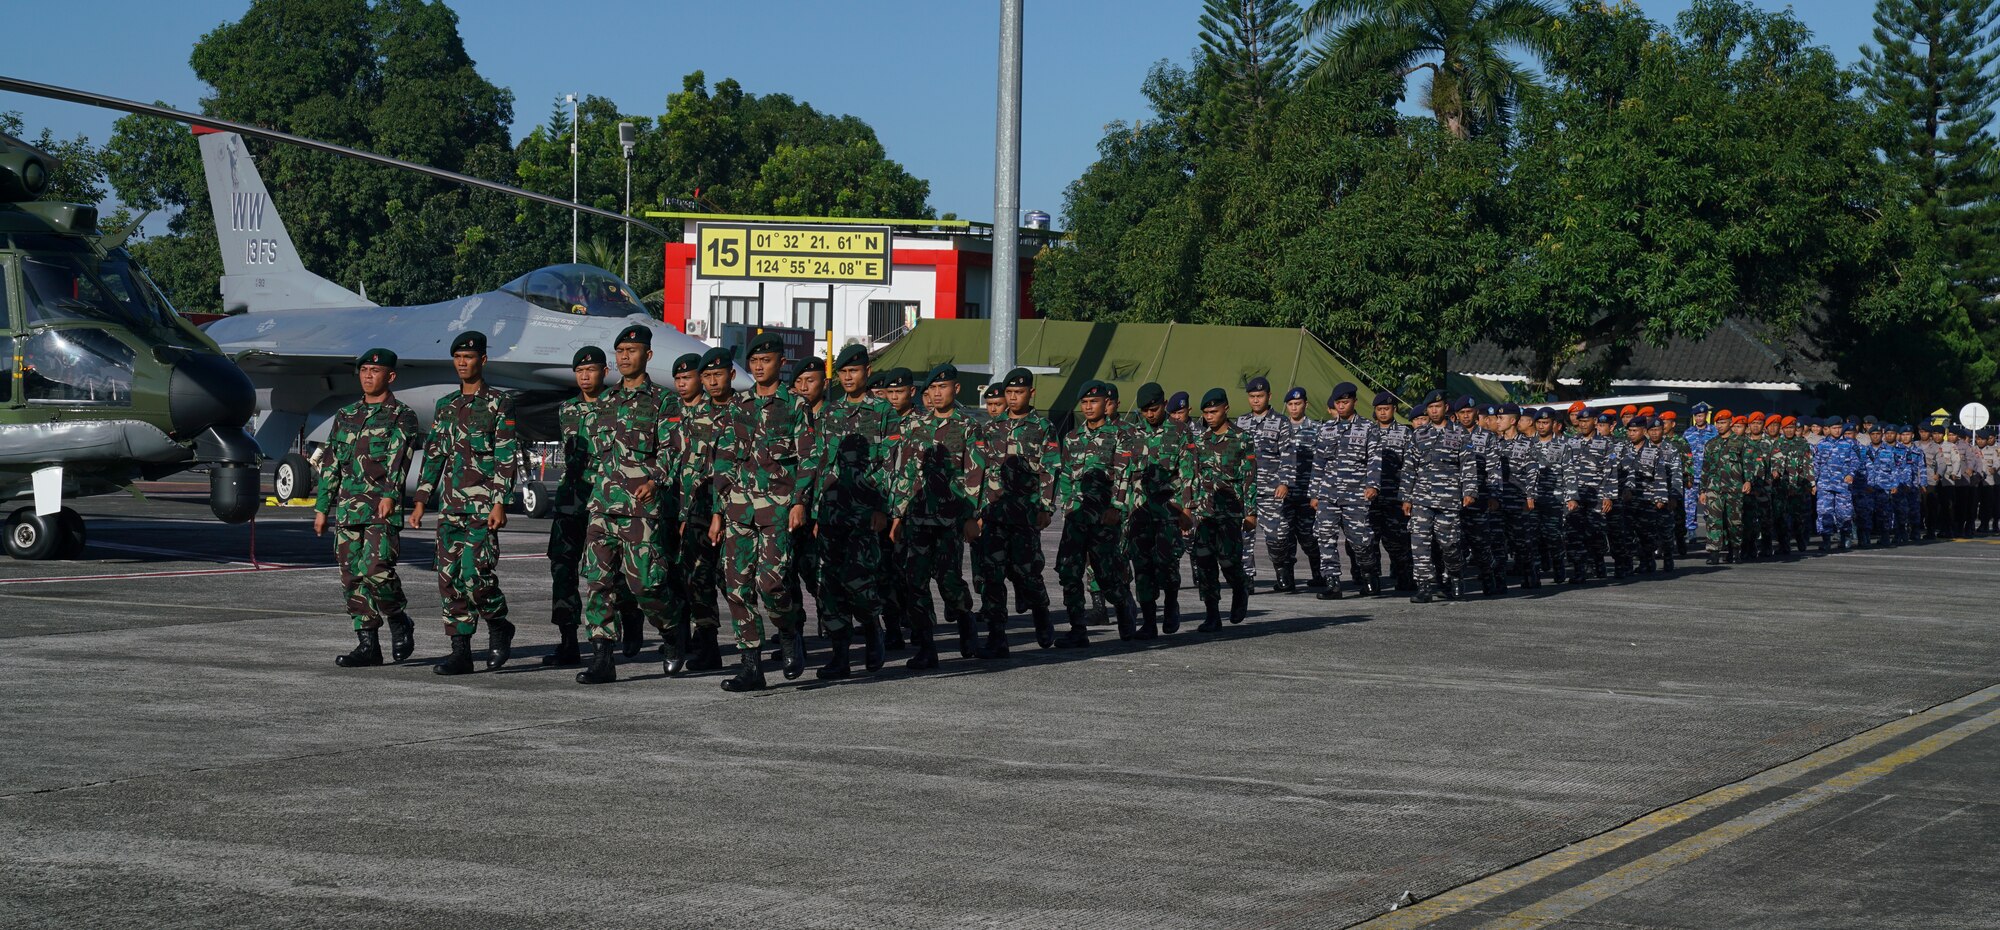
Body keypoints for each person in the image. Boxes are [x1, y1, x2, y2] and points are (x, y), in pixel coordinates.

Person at [708, 332, 818, 692]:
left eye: (765, 361)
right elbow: (723, 459)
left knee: (771, 584)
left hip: (778, 510)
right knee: (737, 589)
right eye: (754, 361)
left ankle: (788, 632)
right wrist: (717, 512)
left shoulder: (795, 406)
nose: (758, 366)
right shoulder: (738, 406)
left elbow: (810, 458)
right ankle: (751, 666)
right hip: (738, 509)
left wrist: (800, 501)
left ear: (780, 365)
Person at [408, 331, 521, 675]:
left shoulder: (499, 404)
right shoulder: (446, 406)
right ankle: (461, 652)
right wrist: (420, 500)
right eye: (457, 357)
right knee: (449, 579)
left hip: (483, 508)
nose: (462, 363)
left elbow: (505, 457)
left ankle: (499, 624)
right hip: (451, 509)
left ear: (482, 361)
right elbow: (435, 456)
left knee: (475, 576)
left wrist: (500, 502)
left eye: (469, 357)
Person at [574, 325, 681, 685]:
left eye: (631, 350)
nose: (624, 356)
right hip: (602, 508)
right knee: (598, 583)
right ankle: (602, 658)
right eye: (619, 350)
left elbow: (671, 452)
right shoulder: (603, 402)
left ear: (647, 356)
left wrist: (655, 480)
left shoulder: (663, 402)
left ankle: (671, 631)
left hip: (640, 508)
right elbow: (592, 455)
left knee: (645, 585)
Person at [316, 348, 420, 668]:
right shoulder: (346, 415)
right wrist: (322, 507)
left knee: (376, 570)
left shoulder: (401, 414)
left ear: (390, 376)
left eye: (375, 371)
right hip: (348, 510)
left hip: (380, 508)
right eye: (363, 370)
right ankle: (368, 645)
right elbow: (332, 464)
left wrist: (390, 495)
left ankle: (399, 618)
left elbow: (398, 459)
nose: (367, 375)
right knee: (351, 578)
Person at [544, 346, 641, 667]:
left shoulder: (617, 407)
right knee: (562, 566)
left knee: (610, 569)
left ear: (605, 371)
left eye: (591, 370)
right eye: (580, 371)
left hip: (607, 499)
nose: (585, 376)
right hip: (571, 499)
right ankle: (568, 641)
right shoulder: (567, 410)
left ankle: (629, 613)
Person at [888, 364, 987, 666]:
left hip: (949, 520)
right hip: (918, 519)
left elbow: (976, 476)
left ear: (956, 389)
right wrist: (897, 515)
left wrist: (973, 516)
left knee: (949, 581)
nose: (937, 392)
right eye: (933, 388)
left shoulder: (969, 427)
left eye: (943, 387)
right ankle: (927, 647)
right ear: (928, 392)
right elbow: (905, 474)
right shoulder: (915, 427)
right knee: (914, 581)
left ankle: (965, 619)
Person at [972, 367, 1059, 651]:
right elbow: (979, 471)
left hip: (1025, 514)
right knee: (992, 575)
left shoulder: (1043, 428)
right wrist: (977, 511)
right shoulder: (991, 428)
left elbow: (1050, 471)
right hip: (995, 516)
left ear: (1031, 393)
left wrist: (1046, 507)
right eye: (1008, 392)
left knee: (1027, 573)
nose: (1012, 398)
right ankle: (997, 637)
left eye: (1018, 392)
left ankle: (1042, 616)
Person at [1055, 381, 1137, 646]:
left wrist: (1117, 508)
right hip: (1077, 518)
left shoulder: (1119, 436)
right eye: (1085, 403)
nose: (1089, 407)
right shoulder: (1073, 438)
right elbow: (1066, 475)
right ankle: (1077, 629)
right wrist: (1067, 506)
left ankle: (1125, 607)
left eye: (1094, 402)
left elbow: (1124, 475)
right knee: (1069, 572)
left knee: (1107, 576)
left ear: (1106, 403)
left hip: (1104, 519)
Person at [673, 347, 734, 671]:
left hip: (740, 510)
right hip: (701, 510)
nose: (711, 381)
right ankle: (707, 645)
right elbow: (689, 471)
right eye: (706, 376)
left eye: (716, 374)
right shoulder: (695, 417)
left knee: (737, 582)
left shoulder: (745, 412)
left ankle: (787, 637)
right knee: (699, 579)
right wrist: (685, 515)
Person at [812, 433, 890, 677]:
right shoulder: (826, 421)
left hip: (861, 521)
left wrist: (882, 507)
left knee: (858, 581)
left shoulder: (877, 436)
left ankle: (872, 626)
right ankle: (840, 656)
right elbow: (815, 472)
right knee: (830, 589)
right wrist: (815, 513)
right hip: (829, 520)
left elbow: (889, 472)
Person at [1127, 381, 1194, 636]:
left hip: (1169, 509)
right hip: (1140, 510)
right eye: (1145, 410)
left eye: (1153, 408)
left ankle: (1170, 605)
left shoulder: (1180, 432)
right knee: (1142, 566)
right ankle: (1149, 622)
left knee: (1167, 564)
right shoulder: (1132, 434)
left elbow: (1188, 473)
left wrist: (1187, 510)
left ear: (1164, 405)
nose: (1149, 414)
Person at [1188, 389, 1255, 630]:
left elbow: (1250, 477)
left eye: (1213, 411)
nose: (1209, 416)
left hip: (1230, 510)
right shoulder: (1200, 440)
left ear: (1226, 408)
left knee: (1228, 561)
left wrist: (1251, 512)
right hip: (1205, 511)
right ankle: (1212, 614)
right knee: (1204, 561)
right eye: (1205, 413)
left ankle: (1240, 588)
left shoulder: (1242, 438)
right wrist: (1189, 508)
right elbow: (1192, 475)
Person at [1309, 382, 1380, 599]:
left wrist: (1372, 485)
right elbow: (1318, 462)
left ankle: (1369, 576)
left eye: (1345, 402)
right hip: (1328, 494)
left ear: (1354, 402)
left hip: (1356, 494)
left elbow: (1374, 460)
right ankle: (1333, 583)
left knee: (1361, 540)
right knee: (1325, 537)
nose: (1341, 406)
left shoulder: (1368, 428)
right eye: (1338, 403)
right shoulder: (1326, 429)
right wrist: (1314, 493)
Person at [1404, 392, 1475, 602]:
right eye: (1430, 407)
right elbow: (1409, 468)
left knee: (1450, 545)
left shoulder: (1460, 434)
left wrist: (1469, 491)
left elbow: (1468, 465)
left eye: (1438, 406)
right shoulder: (1418, 434)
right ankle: (1424, 586)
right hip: (1422, 498)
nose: (1434, 410)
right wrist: (1406, 497)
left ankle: (1455, 577)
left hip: (1449, 498)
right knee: (1420, 544)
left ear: (1446, 408)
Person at [1235, 377, 1296, 587]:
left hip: (1272, 490)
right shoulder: (1240, 422)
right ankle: (1247, 578)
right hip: (1246, 489)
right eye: (1252, 397)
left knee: (1277, 537)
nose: (1255, 400)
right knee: (1245, 536)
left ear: (1269, 396)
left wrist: (1285, 482)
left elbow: (1288, 454)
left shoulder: (1281, 422)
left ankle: (1282, 568)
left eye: (1259, 396)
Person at [1277, 386, 1324, 591]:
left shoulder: (1317, 429)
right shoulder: (1279, 427)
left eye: (1298, 404)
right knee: (1284, 537)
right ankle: (1287, 579)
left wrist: (1317, 492)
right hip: (1284, 494)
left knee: (1309, 537)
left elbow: (1322, 462)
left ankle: (1318, 574)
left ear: (1306, 404)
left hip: (1307, 493)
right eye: (1291, 404)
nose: (1294, 408)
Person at [1369, 391, 1415, 591]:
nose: (1383, 412)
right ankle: (1372, 579)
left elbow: (1411, 466)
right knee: (1369, 540)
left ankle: (1405, 576)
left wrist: (1407, 495)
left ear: (1394, 410)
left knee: (1397, 540)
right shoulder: (1368, 431)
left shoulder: (1405, 433)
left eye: (1386, 409)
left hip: (1395, 496)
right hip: (1371, 497)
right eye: (1379, 409)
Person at [1812, 416, 1859, 551]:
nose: (1837, 431)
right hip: (1825, 485)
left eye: (1839, 428)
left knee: (1844, 513)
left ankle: (1845, 537)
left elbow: (1855, 462)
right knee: (1824, 512)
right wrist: (1813, 483)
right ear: (1828, 429)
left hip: (1843, 485)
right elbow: (1816, 465)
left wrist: (1851, 474)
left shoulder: (1850, 444)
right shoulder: (1821, 445)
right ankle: (1826, 540)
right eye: (1834, 428)